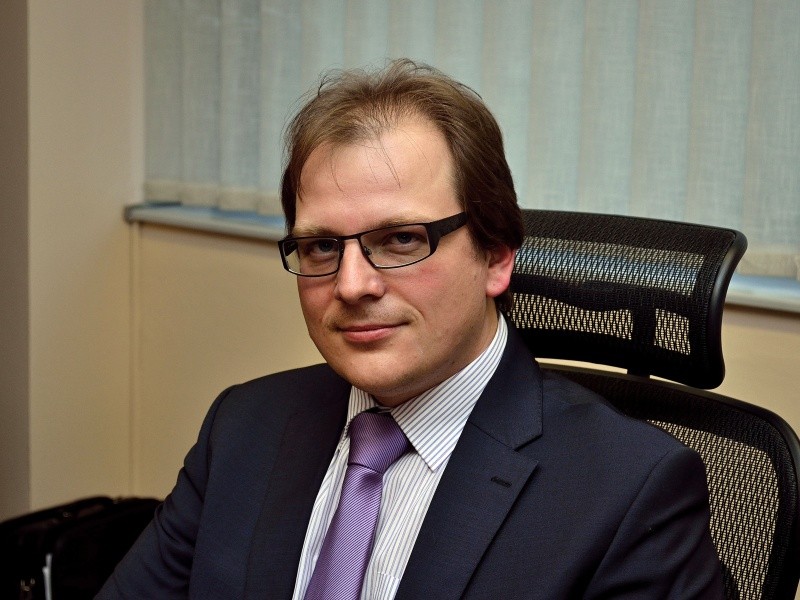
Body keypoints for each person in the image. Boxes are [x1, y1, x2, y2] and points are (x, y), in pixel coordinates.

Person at [97, 59, 723, 599]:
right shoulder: (243, 427)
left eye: (400, 239)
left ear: (496, 256)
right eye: (321, 246)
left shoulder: (630, 493)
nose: (351, 285)